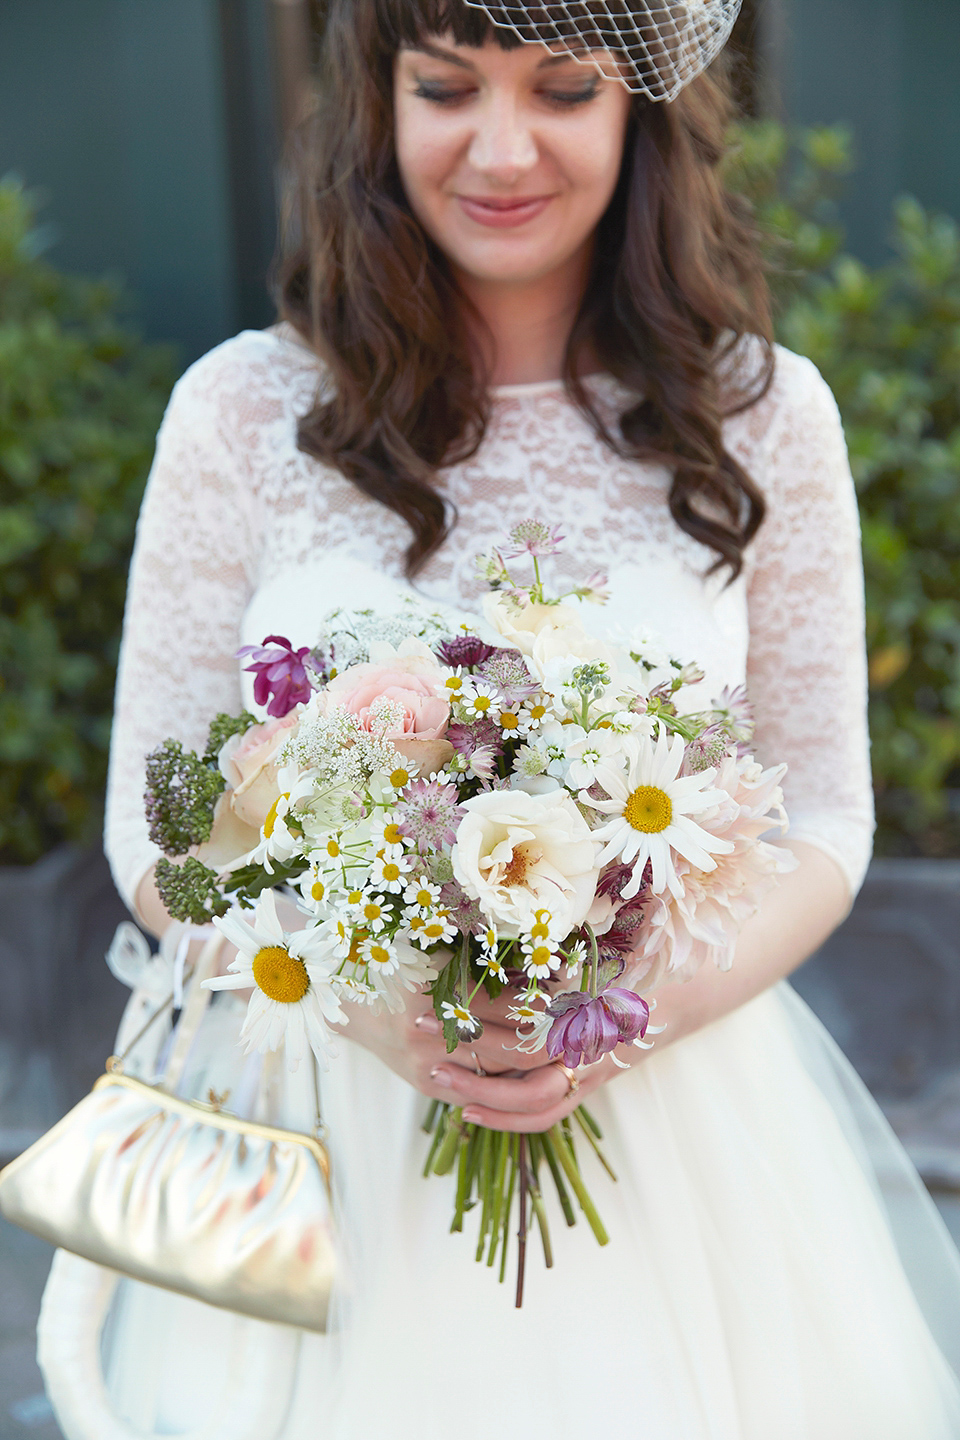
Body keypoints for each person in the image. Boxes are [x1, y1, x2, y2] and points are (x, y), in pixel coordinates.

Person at [36, 2, 960, 1436]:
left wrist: (616, 1019)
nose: (503, 147)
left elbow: (828, 815)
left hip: (679, 1134)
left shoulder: (765, 418)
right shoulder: (240, 412)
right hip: (325, 1131)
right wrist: (376, 1011)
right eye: (448, 88)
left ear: (639, 115)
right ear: (381, 104)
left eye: (565, 90)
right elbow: (152, 828)